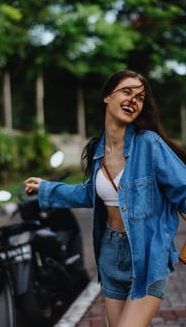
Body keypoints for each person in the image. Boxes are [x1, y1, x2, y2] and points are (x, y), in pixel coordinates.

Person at [24, 69, 186, 327]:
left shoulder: (149, 144)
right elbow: (91, 194)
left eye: (140, 97)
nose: (133, 100)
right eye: (127, 92)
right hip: (109, 252)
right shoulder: (95, 149)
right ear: (107, 97)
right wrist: (47, 188)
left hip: (146, 254)